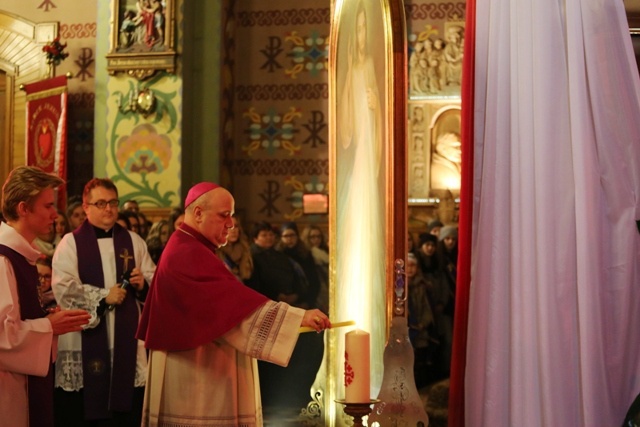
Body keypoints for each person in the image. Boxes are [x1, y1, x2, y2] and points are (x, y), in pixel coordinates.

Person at [136, 182, 330, 427]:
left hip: (200, 366)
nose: (231, 223)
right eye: (224, 215)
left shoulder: (191, 247)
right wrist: (297, 317)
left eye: (233, 216)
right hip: (196, 375)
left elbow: (230, 302)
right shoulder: (186, 253)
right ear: (198, 213)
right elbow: (230, 305)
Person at [52, 178, 156, 426]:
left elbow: (155, 282)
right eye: (100, 203)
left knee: (125, 412)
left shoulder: (134, 242)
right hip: (85, 338)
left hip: (126, 340)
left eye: (112, 202)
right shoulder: (70, 243)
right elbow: (63, 289)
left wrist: (143, 285)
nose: (108, 208)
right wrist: (102, 296)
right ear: (86, 207)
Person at [0, 166, 90, 427]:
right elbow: (3, 336)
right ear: (23, 209)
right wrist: (49, 326)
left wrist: (47, 320)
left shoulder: (20, 255)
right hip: (8, 390)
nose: (54, 214)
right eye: (48, 206)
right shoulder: (4, 259)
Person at [216, 216, 253, 283]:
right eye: (229, 227)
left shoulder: (245, 250)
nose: (233, 230)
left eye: (236, 226)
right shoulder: (215, 252)